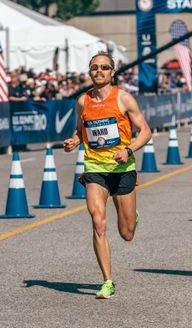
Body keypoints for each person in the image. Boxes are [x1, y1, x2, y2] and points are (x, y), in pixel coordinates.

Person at [63, 51, 152, 299]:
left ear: (112, 72)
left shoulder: (124, 99)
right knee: (98, 221)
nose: (99, 71)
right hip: (95, 169)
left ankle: (131, 216)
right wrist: (74, 141)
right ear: (90, 72)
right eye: (94, 67)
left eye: (104, 67)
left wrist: (128, 149)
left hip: (122, 169)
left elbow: (145, 131)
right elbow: (80, 131)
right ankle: (107, 281)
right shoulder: (82, 101)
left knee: (127, 234)